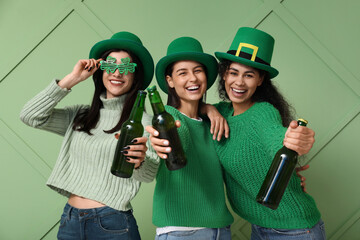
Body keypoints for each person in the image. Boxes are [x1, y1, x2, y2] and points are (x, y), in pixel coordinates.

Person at [20, 31, 159, 240]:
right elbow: (30, 116)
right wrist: (73, 78)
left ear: (135, 76)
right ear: (100, 71)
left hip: (114, 223)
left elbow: (150, 174)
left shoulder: (143, 122)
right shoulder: (81, 115)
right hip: (70, 220)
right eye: (110, 65)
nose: (116, 73)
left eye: (125, 68)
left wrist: (138, 163)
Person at [213, 27, 325, 240]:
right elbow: (195, 108)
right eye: (233, 72)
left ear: (260, 80)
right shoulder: (220, 112)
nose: (239, 82)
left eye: (249, 75)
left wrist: (294, 140)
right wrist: (207, 109)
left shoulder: (263, 112)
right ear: (224, 74)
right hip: (260, 227)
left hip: (295, 230)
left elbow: (276, 136)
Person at [145, 36, 234, 240]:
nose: (192, 79)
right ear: (170, 81)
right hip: (181, 232)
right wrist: (158, 144)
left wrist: (208, 109)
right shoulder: (168, 118)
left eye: (197, 71)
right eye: (182, 73)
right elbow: (176, 137)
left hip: (221, 230)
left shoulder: (214, 120)